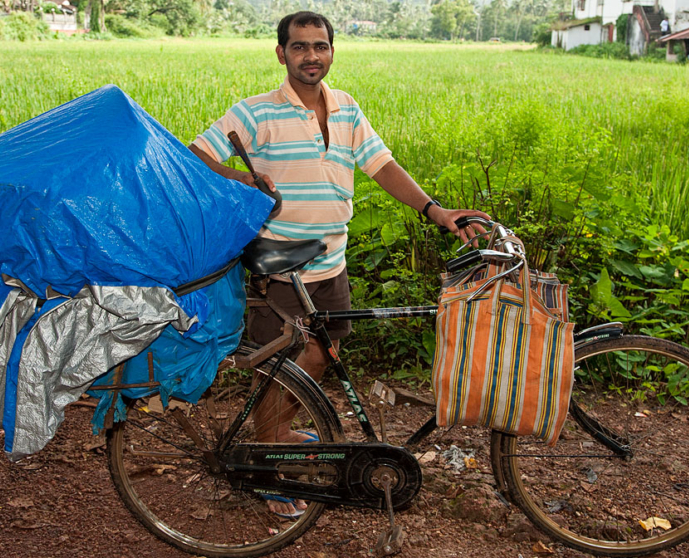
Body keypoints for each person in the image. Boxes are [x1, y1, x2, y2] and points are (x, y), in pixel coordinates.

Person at [189, 11, 488, 517]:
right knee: (281, 368)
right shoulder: (256, 112)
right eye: (300, 46)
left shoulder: (346, 108)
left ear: (331, 51)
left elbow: (381, 165)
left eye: (320, 46)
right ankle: (269, 466)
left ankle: (280, 433)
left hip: (331, 260)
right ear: (281, 53)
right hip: (279, 267)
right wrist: (242, 180)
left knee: (322, 354)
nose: (311, 56)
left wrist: (436, 211)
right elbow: (194, 154)